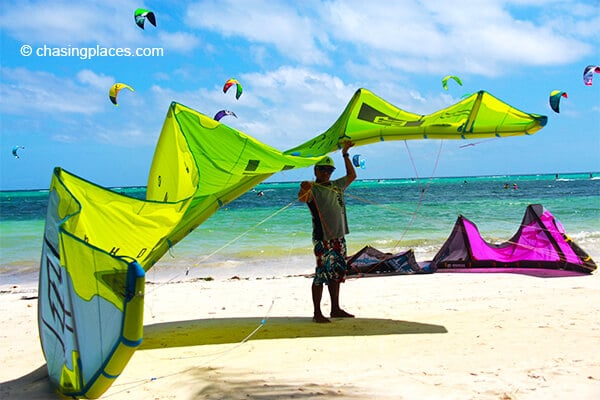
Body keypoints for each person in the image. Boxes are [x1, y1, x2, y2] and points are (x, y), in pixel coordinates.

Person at [298, 141, 357, 323]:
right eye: (322, 170)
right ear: (316, 170)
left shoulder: (336, 185)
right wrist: (304, 187)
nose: (326, 173)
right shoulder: (312, 188)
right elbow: (302, 198)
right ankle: (317, 313)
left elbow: (352, 175)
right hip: (323, 239)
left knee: (337, 274)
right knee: (321, 275)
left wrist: (346, 154)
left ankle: (335, 309)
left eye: (329, 170)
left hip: (339, 237)